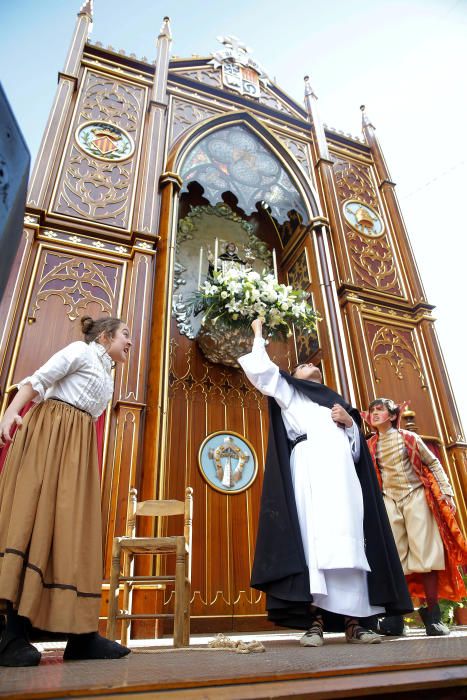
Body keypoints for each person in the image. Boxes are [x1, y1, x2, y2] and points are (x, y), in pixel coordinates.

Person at [238, 319, 412, 646]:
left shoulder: (340, 404)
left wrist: (350, 425)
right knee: (313, 541)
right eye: (301, 364)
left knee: (349, 540)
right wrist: (258, 331)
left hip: (343, 476)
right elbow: (261, 371)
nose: (308, 365)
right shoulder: (289, 392)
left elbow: (357, 452)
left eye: (311, 364)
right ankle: (314, 622)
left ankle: (355, 623)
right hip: (308, 468)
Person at [0, 316, 133, 666]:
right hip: (52, 436)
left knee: (71, 531)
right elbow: (37, 381)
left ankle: (82, 636)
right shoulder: (80, 351)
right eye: (125, 335)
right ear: (105, 337)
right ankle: (11, 634)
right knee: (37, 520)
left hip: (78, 446)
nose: (129, 342)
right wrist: (10, 413)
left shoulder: (107, 373)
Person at [365, 398, 467, 636]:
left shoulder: (410, 438)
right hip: (388, 500)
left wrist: (447, 492)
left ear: (392, 415)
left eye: (380, 409)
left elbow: (433, 464)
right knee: (395, 558)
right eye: (372, 411)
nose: (375, 413)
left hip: (416, 496)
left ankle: (433, 617)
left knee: (426, 555)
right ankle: (395, 618)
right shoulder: (370, 444)